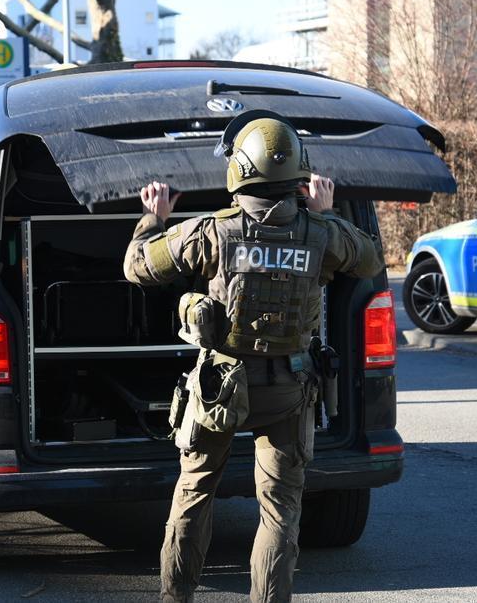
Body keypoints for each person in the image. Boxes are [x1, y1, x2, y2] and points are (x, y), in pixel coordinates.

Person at [123, 110, 385, 602]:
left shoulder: (209, 233)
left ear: (239, 168)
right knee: (280, 511)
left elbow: (137, 267)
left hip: (219, 387)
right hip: (288, 390)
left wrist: (153, 217)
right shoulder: (321, 235)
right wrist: (326, 212)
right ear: (298, 176)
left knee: (194, 494)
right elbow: (370, 260)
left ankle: (175, 597)